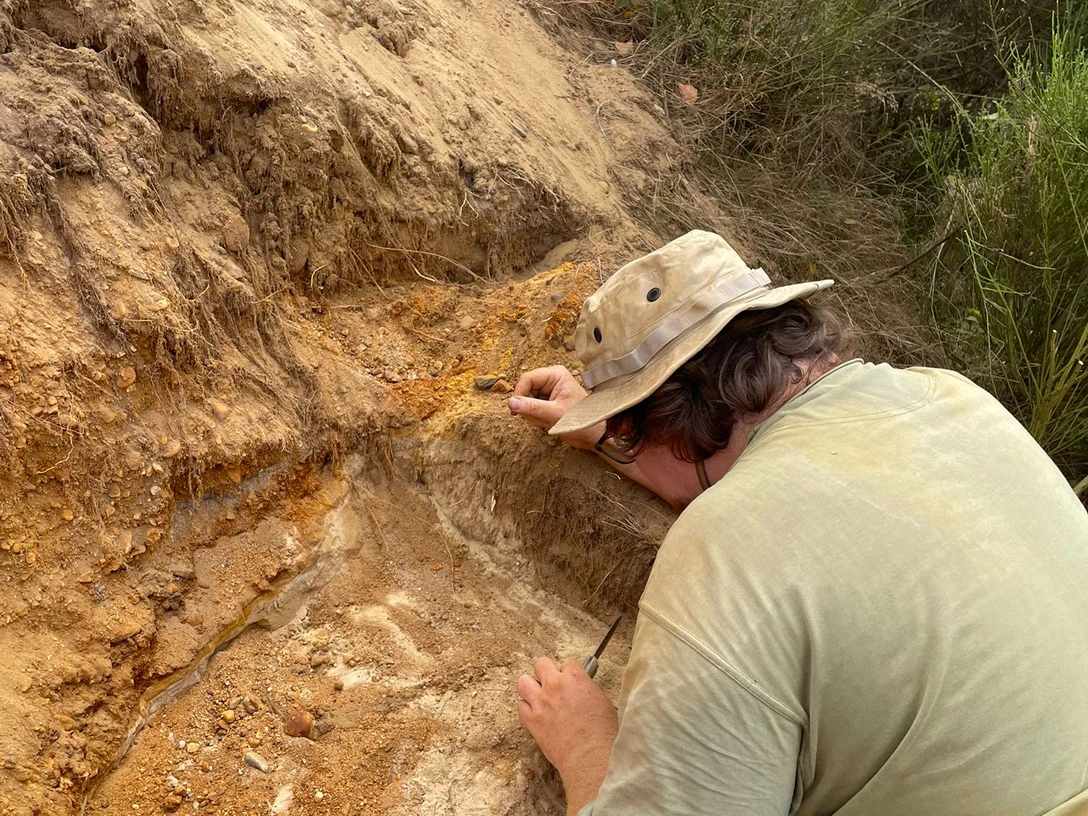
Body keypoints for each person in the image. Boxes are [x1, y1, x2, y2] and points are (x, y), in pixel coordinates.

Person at [507, 230, 1088, 816]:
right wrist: (610, 439)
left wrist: (584, 745)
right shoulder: (957, 399)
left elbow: (742, 506)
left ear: (654, 426)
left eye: (625, 433)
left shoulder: (722, 555)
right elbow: (779, 478)